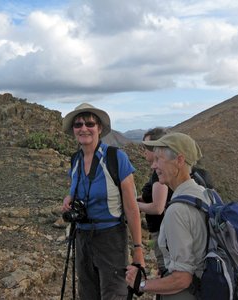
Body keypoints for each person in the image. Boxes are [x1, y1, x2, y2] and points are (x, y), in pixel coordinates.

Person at [62, 103, 145, 300]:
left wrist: (138, 249)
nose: (84, 128)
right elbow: (78, 188)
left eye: (90, 123)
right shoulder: (75, 160)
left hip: (110, 238)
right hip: (82, 236)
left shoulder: (116, 158)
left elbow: (132, 208)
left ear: (99, 128)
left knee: (113, 294)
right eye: (78, 124)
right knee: (88, 294)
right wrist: (69, 198)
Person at [126, 132, 210, 300]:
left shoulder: (177, 210)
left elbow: (182, 278)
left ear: (179, 160)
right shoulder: (204, 193)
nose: (153, 166)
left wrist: (141, 284)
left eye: (159, 159)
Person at [137, 127, 173, 276]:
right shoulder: (157, 171)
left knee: (167, 271)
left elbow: (158, 207)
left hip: (162, 233)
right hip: (162, 232)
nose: (144, 150)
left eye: (147, 146)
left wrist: (132, 205)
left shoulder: (160, 175)